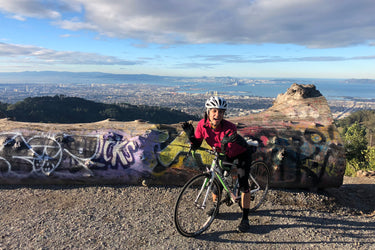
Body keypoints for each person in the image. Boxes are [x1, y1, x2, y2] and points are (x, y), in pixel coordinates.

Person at [182, 96, 252, 233]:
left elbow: (229, 151)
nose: (217, 114)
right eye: (214, 111)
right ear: (208, 111)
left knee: (244, 184)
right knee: (216, 181)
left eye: (220, 112)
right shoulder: (202, 125)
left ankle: (245, 219)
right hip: (223, 153)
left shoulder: (230, 127)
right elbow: (196, 144)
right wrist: (191, 137)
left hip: (240, 153)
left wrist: (224, 143)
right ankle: (216, 206)